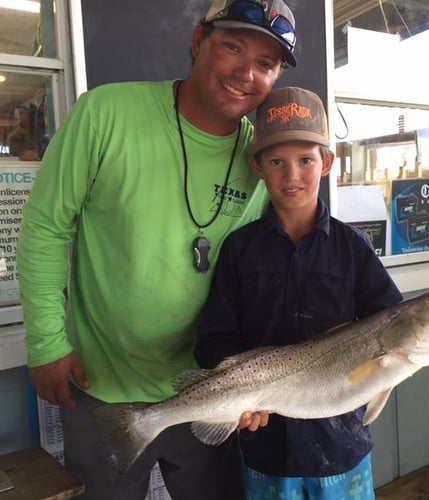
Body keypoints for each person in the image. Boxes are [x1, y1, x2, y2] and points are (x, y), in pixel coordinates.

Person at [16, 1, 297, 499]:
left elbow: (268, 276)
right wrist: (46, 342)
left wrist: (259, 384)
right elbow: (45, 227)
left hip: (211, 390)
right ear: (197, 41)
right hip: (99, 384)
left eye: (266, 63)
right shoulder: (106, 113)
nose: (245, 73)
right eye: (232, 46)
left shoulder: (264, 159)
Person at [194, 86, 402, 499]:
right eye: (277, 161)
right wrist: (236, 395)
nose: (292, 175)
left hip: (343, 446)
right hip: (266, 448)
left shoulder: (353, 248)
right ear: (257, 166)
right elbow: (213, 340)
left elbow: (397, 326)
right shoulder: (239, 249)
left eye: (305, 160)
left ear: (326, 163)